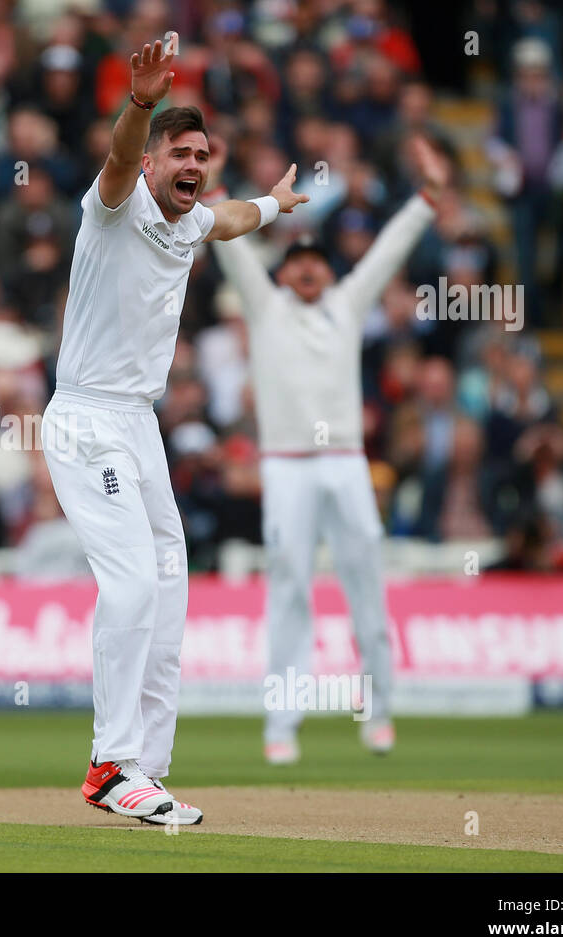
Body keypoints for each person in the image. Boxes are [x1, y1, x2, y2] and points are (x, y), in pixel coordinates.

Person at [41, 33, 308, 825]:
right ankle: (107, 764)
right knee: (128, 582)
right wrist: (140, 104)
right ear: (154, 163)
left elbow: (223, 221)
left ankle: (145, 768)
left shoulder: (189, 222)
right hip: (87, 415)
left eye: (202, 153)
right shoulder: (113, 207)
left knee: (167, 583)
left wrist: (272, 205)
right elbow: (120, 158)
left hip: (139, 424)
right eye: (179, 153)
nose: (191, 164)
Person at [212, 135, 451, 764]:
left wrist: (428, 195)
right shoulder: (265, 309)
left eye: (318, 262)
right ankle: (281, 725)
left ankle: (379, 713)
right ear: (284, 271)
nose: (310, 269)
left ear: (329, 271)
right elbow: (233, 254)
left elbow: (389, 248)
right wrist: (211, 184)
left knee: (365, 582)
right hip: (286, 466)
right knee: (288, 588)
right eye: (299, 262)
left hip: (345, 463)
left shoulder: (347, 305)